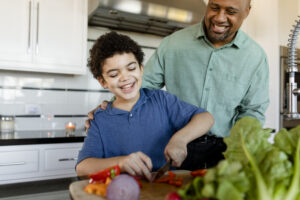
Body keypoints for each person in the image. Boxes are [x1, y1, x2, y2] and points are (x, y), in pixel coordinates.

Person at [86, 0, 270, 170]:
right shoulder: (173, 44)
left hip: (226, 149)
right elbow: (143, 85)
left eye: (230, 11)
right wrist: (111, 106)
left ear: (246, 12)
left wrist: (240, 151)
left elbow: (253, 111)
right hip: (176, 147)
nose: (220, 17)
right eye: (214, 7)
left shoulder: (255, 56)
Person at [76, 31, 214, 181]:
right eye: (114, 74)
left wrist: (180, 139)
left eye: (131, 68)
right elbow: (82, 168)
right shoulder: (100, 119)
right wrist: (120, 163)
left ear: (141, 69)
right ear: (103, 81)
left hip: (164, 189)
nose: (125, 78)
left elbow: (206, 118)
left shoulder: (161, 100)